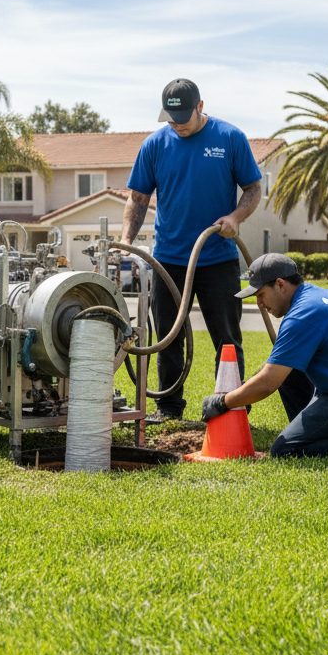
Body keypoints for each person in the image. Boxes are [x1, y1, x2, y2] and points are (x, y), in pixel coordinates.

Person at [122, 77, 263, 423]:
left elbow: (253, 188)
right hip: (169, 259)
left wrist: (235, 216)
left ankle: (230, 406)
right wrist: (126, 239)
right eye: (171, 119)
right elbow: (138, 198)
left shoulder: (229, 138)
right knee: (168, 338)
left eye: (184, 117)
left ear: (201, 107)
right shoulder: (154, 145)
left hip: (217, 259)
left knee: (227, 339)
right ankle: (168, 409)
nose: (178, 125)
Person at [200, 253, 328, 458]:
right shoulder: (316, 297)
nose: (260, 304)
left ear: (280, 284)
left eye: (260, 295)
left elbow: (268, 383)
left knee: (285, 450)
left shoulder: (302, 315)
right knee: (288, 371)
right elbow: (276, 367)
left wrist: (223, 402)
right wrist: (245, 392)